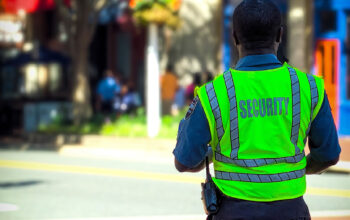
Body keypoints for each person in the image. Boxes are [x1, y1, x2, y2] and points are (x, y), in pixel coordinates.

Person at [173, 1, 341, 219]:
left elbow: (184, 161)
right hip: (292, 212)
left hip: (233, 212)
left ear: (234, 38)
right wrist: (294, 169)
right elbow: (328, 155)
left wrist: (214, 154)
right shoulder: (309, 88)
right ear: (280, 35)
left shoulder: (213, 94)